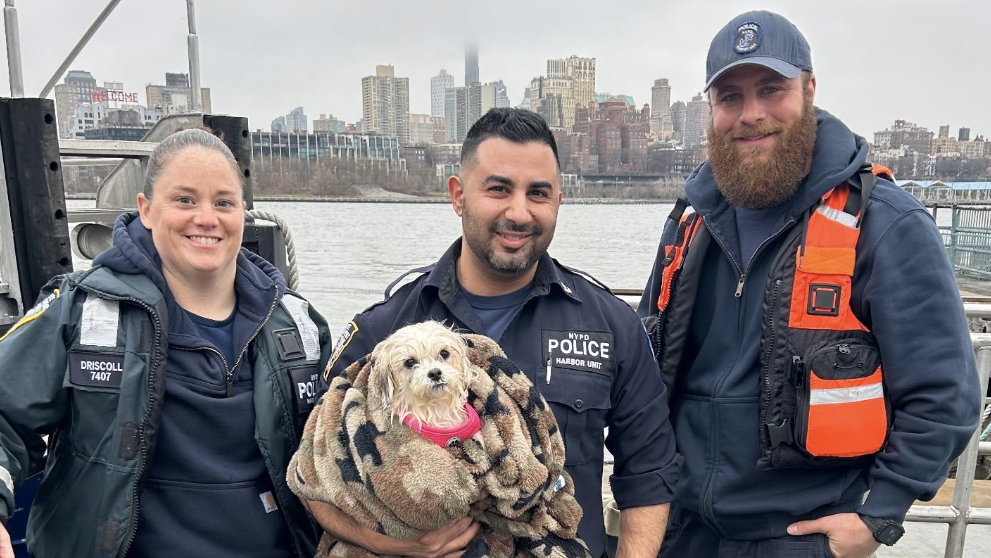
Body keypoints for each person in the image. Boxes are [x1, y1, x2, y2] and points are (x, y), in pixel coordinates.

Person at [638, 10, 982, 558]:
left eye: (771, 89)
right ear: (710, 109)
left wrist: (879, 514)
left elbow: (946, 394)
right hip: (682, 533)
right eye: (729, 97)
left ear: (810, 89)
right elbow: (641, 358)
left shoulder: (885, 223)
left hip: (801, 541)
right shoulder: (688, 223)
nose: (751, 115)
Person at [304, 108, 680, 558]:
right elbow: (313, 472)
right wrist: (393, 545)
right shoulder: (382, 331)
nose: (518, 212)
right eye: (499, 189)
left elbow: (649, 473)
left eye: (538, 193)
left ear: (559, 200)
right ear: (458, 196)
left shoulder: (611, 324)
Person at [0, 128, 331, 558]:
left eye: (224, 202)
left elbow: (341, 441)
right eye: (185, 200)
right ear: (146, 209)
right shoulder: (80, 310)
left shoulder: (297, 321)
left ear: (243, 214)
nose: (207, 218)